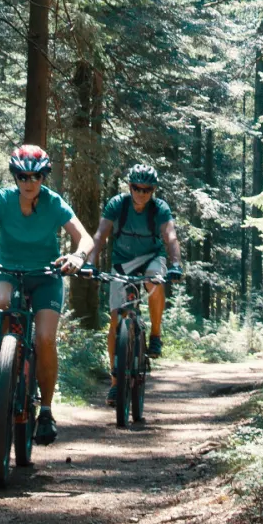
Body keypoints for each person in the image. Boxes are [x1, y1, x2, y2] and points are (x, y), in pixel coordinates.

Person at [0, 144, 94, 446]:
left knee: (45, 338)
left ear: (44, 177)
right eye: (23, 176)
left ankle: (46, 411)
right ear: (15, 176)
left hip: (45, 277)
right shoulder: (3, 200)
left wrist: (78, 256)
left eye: (36, 176)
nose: (29, 182)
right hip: (9, 272)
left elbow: (84, 237)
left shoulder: (54, 203)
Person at [87, 164, 183, 406]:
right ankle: (115, 383)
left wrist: (175, 264)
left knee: (154, 280)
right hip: (123, 262)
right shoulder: (117, 205)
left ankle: (155, 333)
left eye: (147, 189)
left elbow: (170, 236)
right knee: (115, 320)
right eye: (137, 188)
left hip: (152, 258)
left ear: (153, 190)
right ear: (129, 187)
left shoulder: (159, 209)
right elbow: (100, 235)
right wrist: (90, 263)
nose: (141, 193)